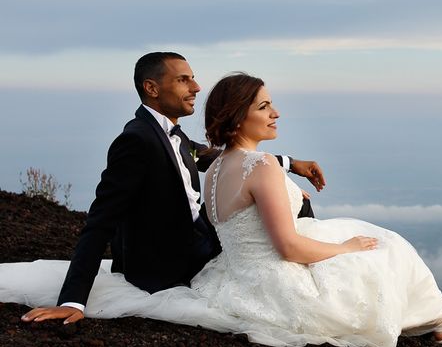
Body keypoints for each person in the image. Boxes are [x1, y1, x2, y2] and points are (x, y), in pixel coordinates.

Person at [189, 73, 442, 347]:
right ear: (238, 117)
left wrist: (289, 192)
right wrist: (344, 249)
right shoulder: (262, 165)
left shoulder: (215, 169)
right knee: (385, 249)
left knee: (369, 240)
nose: (276, 113)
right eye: (264, 107)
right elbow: (288, 247)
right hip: (277, 284)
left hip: (236, 278)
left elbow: (248, 217)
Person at [20, 52, 325, 325]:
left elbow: (223, 157)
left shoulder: (172, 135)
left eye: (193, 78)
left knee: (290, 194)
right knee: (293, 205)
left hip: (202, 237)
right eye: (183, 80)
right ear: (151, 88)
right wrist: (72, 301)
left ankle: (300, 257)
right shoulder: (136, 141)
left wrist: (289, 163)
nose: (196, 87)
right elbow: (100, 220)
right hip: (173, 260)